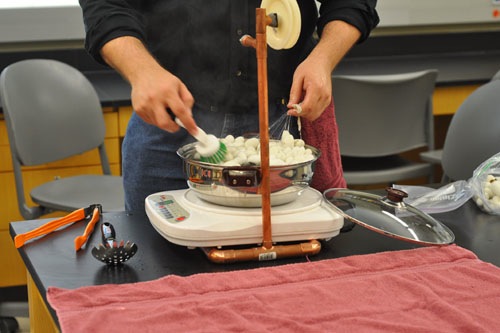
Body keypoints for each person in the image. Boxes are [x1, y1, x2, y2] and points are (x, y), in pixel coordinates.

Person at [79, 0, 379, 212]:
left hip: (280, 127)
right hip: (168, 120)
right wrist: (142, 71)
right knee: (158, 265)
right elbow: (106, 6)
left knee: (285, 278)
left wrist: (322, 59)